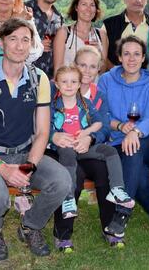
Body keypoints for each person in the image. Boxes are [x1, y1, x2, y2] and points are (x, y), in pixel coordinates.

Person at [0, 18, 71, 261]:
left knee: (62, 181)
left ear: (31, 44)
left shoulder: (40, 79)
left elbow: (43, 132)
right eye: (13, 39)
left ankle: (30, 226)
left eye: (26, 39)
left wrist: (27, 167)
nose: (19, 45)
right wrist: (3, 169)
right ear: (2, 43)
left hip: (25, 153)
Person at [49, 46, 126, 251]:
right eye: (82, 65)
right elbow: (40, 121)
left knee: (103, 171)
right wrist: (54, 135)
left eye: (93, 66)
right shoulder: (56, 88)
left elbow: (105, 127)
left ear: (99, 69)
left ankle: (110, 228)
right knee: (74, 176)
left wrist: (90, 138)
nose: (87, 70)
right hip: (61, 149)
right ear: (74, 65)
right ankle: (63, 234)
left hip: (86, 148)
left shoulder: (98, 96)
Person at [98, 36, 149, 238]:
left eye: (136, 54)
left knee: (135, 148)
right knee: (137, 168)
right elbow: (102, 114)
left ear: (143, 59)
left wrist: (134, 132)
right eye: (127, 54)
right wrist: (121, 126)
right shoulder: (106, 80)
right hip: (116, 142)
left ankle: (122, 213)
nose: (131, 59)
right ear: (119, 57)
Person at [102, 0, 149, 69]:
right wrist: (116, 74)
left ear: (146, 0)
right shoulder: (109, 25)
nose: (138, 0)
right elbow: (102, 56)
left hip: (148, 79)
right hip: (116, 80)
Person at [53, 0, 108, 74]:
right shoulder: (64, 32)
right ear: (76, 8)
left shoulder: (101, 35)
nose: (88, 9)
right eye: (84, 4)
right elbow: (58, 69)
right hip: (70, 86)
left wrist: (99, 54)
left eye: (92, 5)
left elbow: (103, 71)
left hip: (94, 86)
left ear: (96, 9)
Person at [25, 0, 66, 79]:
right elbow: (10, 43)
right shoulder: (23, 10)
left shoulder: (59, 18)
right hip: (24, 77)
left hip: (49, 81)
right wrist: (37, 45)